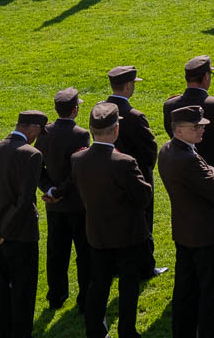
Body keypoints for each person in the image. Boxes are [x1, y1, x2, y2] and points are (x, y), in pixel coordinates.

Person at [71, 102, 153, 338]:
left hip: (97, 233)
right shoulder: (124, 162)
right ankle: (127, 331)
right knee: (128, 286)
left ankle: (95, 330)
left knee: (98, 284)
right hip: (128, 235)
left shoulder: (78, 160)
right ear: (116, 129)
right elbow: (143, 197)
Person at [0, 110, 45, 338]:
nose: (38, 137)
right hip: (21, 236)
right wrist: (3, 231)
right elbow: (23, 202)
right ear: (31, 129)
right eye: (39, 132)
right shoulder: (31, 154)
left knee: (1, 294)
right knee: (23, 295)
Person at [159, 104, 214, 338]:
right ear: (178, 130)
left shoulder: (168, 150)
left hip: (184, 231)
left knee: (185, 290)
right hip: (206, 235)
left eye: (202, 125)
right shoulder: (188, 159)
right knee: (212, 293)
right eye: (196, 127)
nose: (202, 130)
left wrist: (209, 172)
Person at [162, 55, 214, 233]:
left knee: (188, 224)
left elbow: (175, 135)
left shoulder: (170, 105)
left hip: (184, 174)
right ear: (206, 77)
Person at [103, 64, 162, 279]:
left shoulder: (101, 110)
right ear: (128, 86)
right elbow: (150, 150)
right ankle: (146, 266)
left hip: (108, 175)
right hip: (136, 175)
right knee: (143, 221)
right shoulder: (134, 116)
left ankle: (118, 265)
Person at [39, 88, 91, 312]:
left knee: (56, 252)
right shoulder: (81, 134)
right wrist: (60, 191)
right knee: (84, 253)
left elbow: (37, 166)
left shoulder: (44, 133)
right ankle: (85, 298)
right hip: (77, 204)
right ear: (76, 109)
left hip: (54, 207)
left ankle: (56, 297)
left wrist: (50, 190)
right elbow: (77, 171)